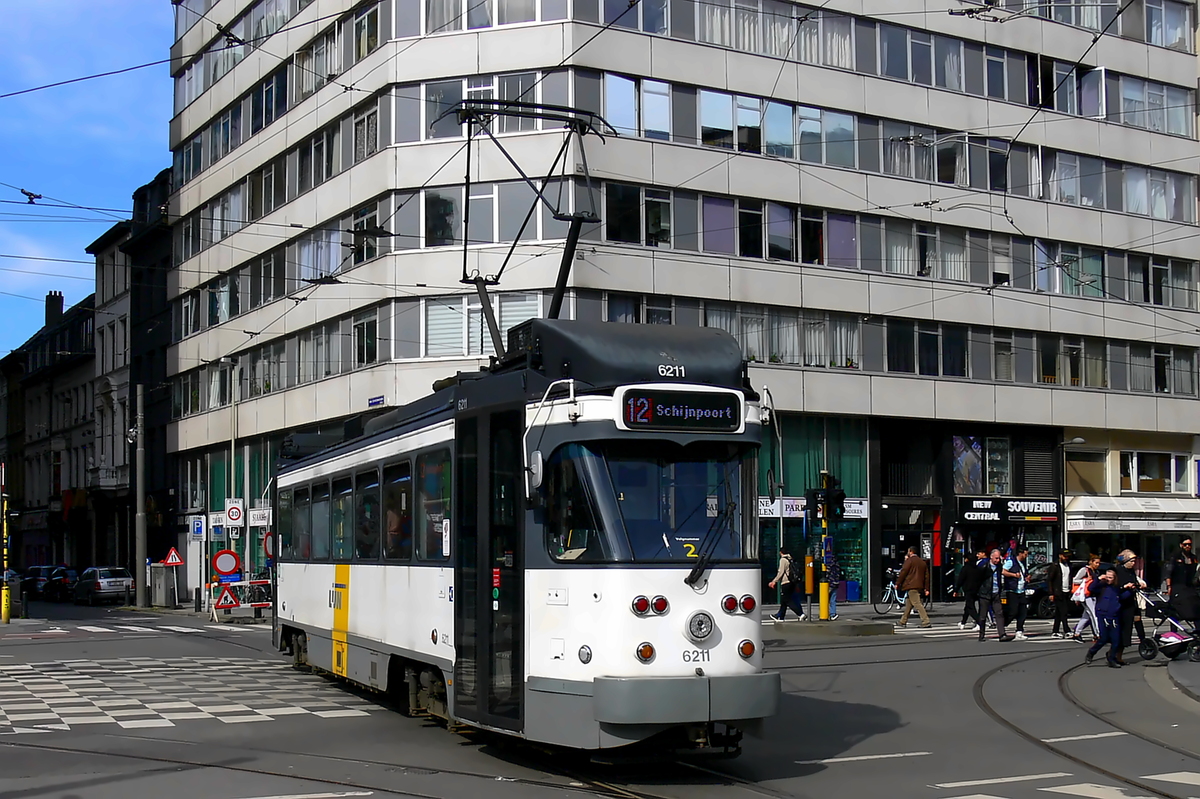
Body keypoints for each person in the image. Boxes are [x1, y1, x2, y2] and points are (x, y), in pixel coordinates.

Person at [1085, 566, 1133, 668]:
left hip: (1114, 616)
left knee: (1116, 640)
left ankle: (1111, 659)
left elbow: (1122, 597)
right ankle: (1092, 652)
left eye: (1110, 577)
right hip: (1102, 615)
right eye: (1107, 577)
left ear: (1115, 578)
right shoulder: (1101, 586)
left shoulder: (1117, 588)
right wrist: (1098, 579)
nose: (1108, 579)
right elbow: (1091, 588)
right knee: (1103, 638)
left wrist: (1130, 590)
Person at [1112, 550, 1145, 665]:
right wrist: (1124, 586)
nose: (1133, 563)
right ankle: (1113, 655)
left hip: (1131, 602)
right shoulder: (1117, 571)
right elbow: (1114, 586)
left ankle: (1119, 656)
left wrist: (1138, 585)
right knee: (1119, 631)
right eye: (1131, 561)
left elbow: (1134, 581)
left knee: (1127, 631)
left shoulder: (1131, 571)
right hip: (1120, 604)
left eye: (1134, 561)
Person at [977, 549, 1011, 641]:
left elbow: (999, 577)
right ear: (991, 557)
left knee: (999, 613)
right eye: (996, 558)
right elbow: (977, 579)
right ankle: (981, 634)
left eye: (999, 558)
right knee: (983, 615)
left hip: (996, 593)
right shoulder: (984, 566)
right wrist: (978, 591)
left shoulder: (999, 566)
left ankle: (1002, 634)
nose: (997, 560)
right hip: (985, 593)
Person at [896, 546, 932, 628]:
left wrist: (898, 583)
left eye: (908, 551)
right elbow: (927, 576)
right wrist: (927, 588)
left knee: (917, 604)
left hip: (911, 585)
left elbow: (903, 572)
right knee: (909, 604)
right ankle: (903, 621)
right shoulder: (922, 562)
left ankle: (926, 621)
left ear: (911, 552)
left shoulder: (909, 561)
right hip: (919, 586)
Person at [768, 547, 806, 621]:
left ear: (781, 552)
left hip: (786, 582)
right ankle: (780, 616)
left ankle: (800, 614)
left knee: (787, 600)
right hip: (792, 582)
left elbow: (781, 572)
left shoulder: (783, 560)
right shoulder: (791, 559)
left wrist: (774, 581)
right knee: (784, 601)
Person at [1167, 538, 1200, 622]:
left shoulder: (1193, 558)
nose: (1187, 546)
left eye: (1189, 544)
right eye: (1185, 544)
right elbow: (1168, 572)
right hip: (1177, 586)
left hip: (1190, 587)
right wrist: (1169, 586)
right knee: (1175, 609)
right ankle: (1174, 631)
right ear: (1181, 545)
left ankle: (1198, 629)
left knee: (1194, 607)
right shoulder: (1175, 557)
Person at [1002, 547, 1031, 640]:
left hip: (1021, 590)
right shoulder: (1011, 562)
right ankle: (1002, 624)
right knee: (1013, 611)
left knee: (1023, 611)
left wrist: (1027, 577)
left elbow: (1024, 574)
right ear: (1020, 553)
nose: (1026, 556)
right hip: (1012, 590)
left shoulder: (1022, 564)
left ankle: (1019, 631)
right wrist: (1014, 575)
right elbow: (1003, 571)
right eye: (1025, 554)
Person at [1072, 555, 1101, 643]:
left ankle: (1077, 633)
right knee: (1094, 615)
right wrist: (1085, 580)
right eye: (1096, 562)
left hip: (1093, 595)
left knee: (1086, 616)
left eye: (1099, 563)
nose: (1098, 565)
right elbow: (1075, 580)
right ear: (1091, 562)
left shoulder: (1095, 571)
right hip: (1086, 595)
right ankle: (1098, 634)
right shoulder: (1085, 570)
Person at [957, 550, 987, 630]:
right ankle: (963, 622)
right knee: (968, 606)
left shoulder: (966, 568)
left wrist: (955, 589)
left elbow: (960, 579)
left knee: (971, 607)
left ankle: (979, 622)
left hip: (968, 589)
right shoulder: (977, 568)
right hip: (976, 589)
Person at [1048, 549, 1074, 639]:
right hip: (1058, 592)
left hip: (1067, 591)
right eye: (1064, 556)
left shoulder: (1069, 565)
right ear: (1060, 556)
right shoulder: (1055, 566)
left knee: (1059, 613)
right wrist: (1051, 593)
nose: (1066, 558)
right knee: (1064, 611)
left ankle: (1055, 631)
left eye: (1067, 556)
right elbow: (1050, 580)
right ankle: (1067, 630)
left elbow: (1070, 578)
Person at [826, 551, 842, 621]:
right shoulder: (837, 565)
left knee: (825, 598)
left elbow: (827, 573)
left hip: (830, 583)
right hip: (836, 583)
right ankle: (833, 614)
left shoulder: (829, 565)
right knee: (833, 599)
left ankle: (825, 613)